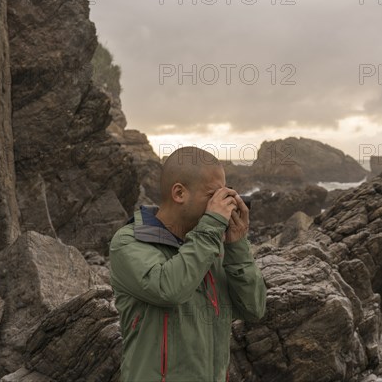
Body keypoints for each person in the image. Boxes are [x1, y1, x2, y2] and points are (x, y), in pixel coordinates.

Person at [109, 146, 267, 382]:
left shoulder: (213, 246)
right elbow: (169, 289)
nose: (221, 204)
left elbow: (254, 309)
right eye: (212, 195)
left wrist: (237, 247)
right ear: (179, 193)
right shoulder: (129, 241)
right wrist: (211, 227)